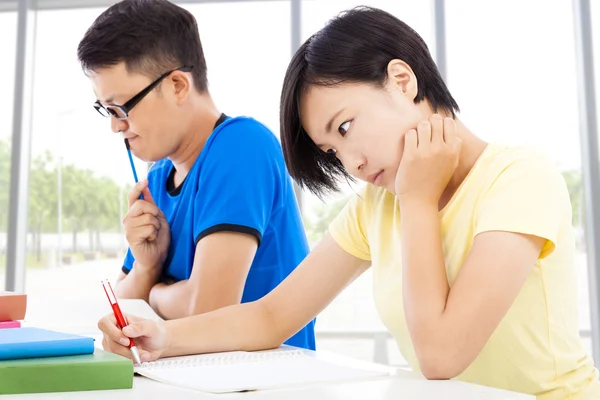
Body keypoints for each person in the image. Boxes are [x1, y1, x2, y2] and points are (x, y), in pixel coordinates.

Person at [97, 5, 600, 399]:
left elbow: (442, 355)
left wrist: (418, 201)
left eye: (344, 128)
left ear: (402, 81)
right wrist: (161, 338)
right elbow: (272, 317)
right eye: (332, 151)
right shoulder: (376, 205)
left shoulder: (518, 175)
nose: (351, 164)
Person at [79, 0, 315, 350]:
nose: (116, 126)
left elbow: (208, 309)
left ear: (177, 85)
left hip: (261, 383)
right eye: (107, 110)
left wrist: (153, 293)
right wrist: (147, 267)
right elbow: (119, 315)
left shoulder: (241, 147)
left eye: (121, 107)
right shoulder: (157, 178)